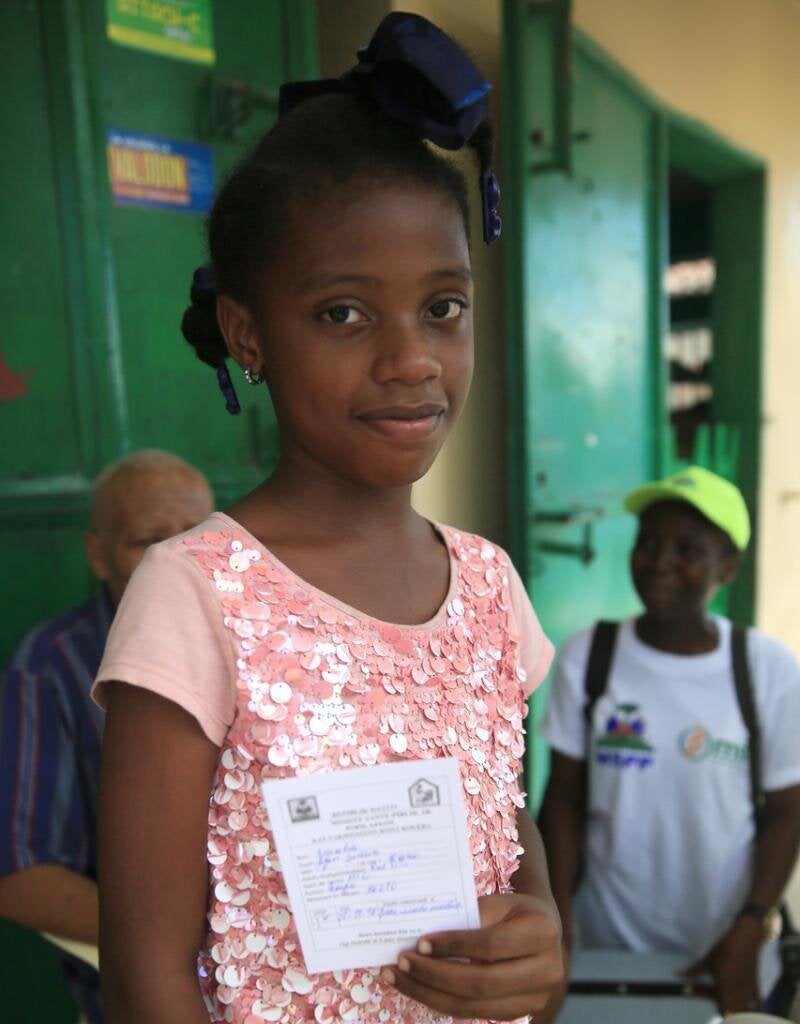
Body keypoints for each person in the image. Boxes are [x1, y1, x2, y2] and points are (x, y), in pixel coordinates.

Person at [94, 13, 564, 1024]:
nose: (410, 359)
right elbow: (145, 976)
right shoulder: (193, 596)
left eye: (442, 305)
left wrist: (541, 932)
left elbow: (499, 823)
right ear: (246, 335)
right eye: (344, 314)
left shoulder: (486, 583)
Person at [539, 465, 800, 1017]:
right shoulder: (591, 655)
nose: (660, 562)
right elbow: (560, 798)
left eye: (688, 549)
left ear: (727, 567)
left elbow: (787, 810)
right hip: (603, 937)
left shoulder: (766, 669)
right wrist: (556, 925)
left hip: (721, 942)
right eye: (649, 542)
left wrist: (750, 925)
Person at [0, 450, 214, 1023]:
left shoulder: (276, 644)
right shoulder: (49, 666)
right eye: (147, 541)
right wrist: (196, 942)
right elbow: (20, 876)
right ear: (99, 555)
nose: (180, 561)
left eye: (198, 536)